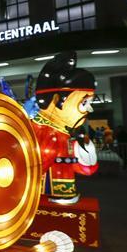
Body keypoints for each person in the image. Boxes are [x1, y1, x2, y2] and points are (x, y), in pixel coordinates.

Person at [31, 52, 98, 204]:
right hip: (39, 196)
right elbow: (31, 167)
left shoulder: (67, 134)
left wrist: (85, 150)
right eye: (84, 103)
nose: (89, 109)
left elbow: (86, 169)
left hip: (65, 193)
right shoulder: (39, 130)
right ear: (56, 100)